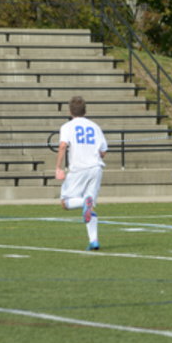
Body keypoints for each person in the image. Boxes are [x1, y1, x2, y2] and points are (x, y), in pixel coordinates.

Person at [55, 95, 108, 250]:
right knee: (90, 206)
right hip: (96, 168)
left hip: (79, 169)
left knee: (65, 202)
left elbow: (63, 146)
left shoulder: (67, 126)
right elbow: (103, 152)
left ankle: (84, 202)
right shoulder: (95, 126)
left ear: (70, 111)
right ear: (85, 110)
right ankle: (94, 241)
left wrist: (58, 167)